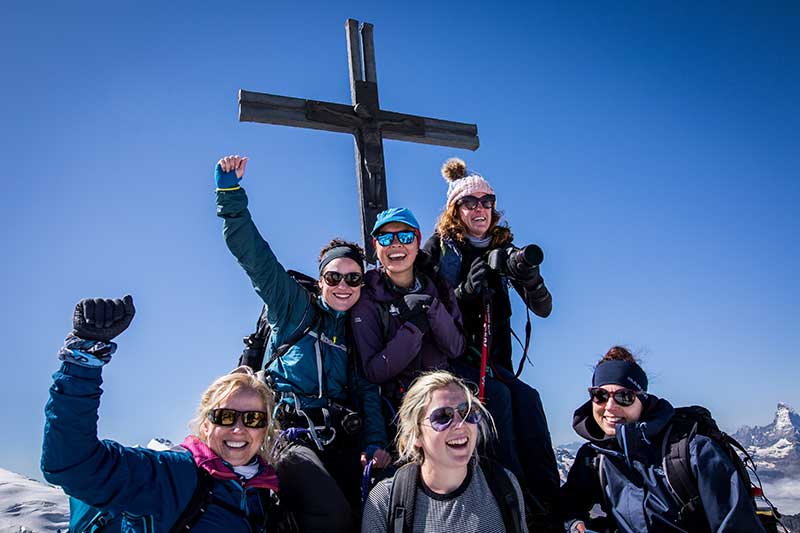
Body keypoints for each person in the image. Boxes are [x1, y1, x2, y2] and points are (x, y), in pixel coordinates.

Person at [215, 155, 390, 532]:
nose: (343, 286)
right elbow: (254, 256)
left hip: (337, 436)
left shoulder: (358, 331)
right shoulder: (292, 306)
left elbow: (367, 391)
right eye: (334, 277)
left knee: (374, 508)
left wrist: (375, 442)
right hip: (285, 434)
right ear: (321, 278)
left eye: (354, 279)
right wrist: (230, 194)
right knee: (332, 514)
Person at [41, 295, 285, 532]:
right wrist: (83, 361)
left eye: (253, 419)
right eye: (226, 417)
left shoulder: (263, 493)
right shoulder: (168, 475)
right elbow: (72, 465)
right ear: (206, 424)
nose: (239, 429)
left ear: (264, 429)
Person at [422, 157, 560, 527]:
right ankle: (512, 501)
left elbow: (543, 309)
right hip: (456, 359)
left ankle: (548, 500)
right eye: (471, 202)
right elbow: (427, 301)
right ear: (456, 209)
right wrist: (463, 293)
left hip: (495, 360)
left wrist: (529, 278)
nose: (481, 208)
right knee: (496, 399)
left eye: (487, 201)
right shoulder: (441, 249)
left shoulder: (505, 247)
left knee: (528, 400)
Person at [350, 207, 525, 488]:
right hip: (400, 399)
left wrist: (432, 310)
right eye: (385, 239)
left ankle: (512, 491)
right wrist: (415, 328)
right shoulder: (368, 300)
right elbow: (374, 370)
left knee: (500, 396)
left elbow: (455, 347)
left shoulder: (438, 287)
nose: (396, 245)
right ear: (376, 247)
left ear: (418, 241)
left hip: (444, 387)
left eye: (405, 236)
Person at [561, 346, 767, 533]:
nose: (610, 407)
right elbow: (568, 506)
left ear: (642, 400)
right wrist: (574, 524)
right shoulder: (594, 458)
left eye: (624, 397)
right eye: (600, 395)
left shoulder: (693, 452)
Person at [362, 370, 527, 533]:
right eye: (442, 417)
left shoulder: (504, 485)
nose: (460, 424)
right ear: (416, 434)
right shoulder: (384, 501)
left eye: (467, 412)